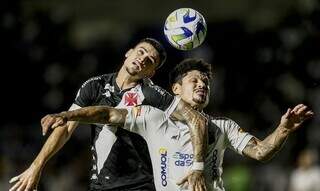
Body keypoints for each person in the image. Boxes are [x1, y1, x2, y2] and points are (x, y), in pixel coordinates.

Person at [40, 58, 314, 191]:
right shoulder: (153, 118)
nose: (202, 84)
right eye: (195, 80)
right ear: (175, 89)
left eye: (206, 82)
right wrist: (68, 115)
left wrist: (283, 130)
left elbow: (261, 152)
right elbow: (108, 114)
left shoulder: (223, 125)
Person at [9, 39, 208, 191]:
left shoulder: (152, 94)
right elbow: (65, 127)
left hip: (138, 185)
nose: (142, 58)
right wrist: (36, 166)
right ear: (128, 53)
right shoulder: (94, 86)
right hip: (101, 185)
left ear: (151, 73)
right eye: (141, 52)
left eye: (150, 60)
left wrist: (198, 167)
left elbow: (196, 119)